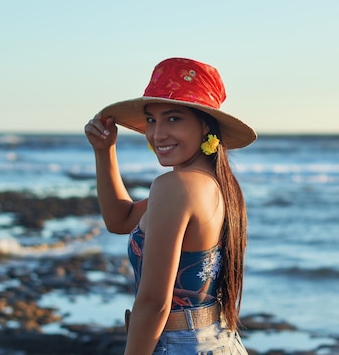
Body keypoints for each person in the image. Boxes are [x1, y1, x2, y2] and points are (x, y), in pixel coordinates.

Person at [84, 57, 256, 355]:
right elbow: (120, 220)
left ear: (205, 125)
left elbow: (154, 302)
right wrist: (104, 151)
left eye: (173, 118)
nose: (157, 133)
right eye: (151, 119)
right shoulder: (217, 186)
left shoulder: (175, 186)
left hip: (180, 345)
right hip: (218, 341)